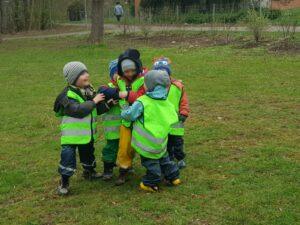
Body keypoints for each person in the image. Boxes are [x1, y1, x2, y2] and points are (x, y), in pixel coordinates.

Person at [53, 61, 114, 195]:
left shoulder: (88, 91)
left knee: (88, 153)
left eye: (86, 72)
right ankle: (64, 182)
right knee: (68, 158)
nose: (86, 75)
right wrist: (94, 101)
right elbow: (78, 110)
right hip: (71, 136)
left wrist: (108, 104)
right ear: (73, 79)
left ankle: (89, 172)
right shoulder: (67, 95)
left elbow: (94, 110)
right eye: (81, 74)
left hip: (86, 134)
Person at [121, 70, 181, 192]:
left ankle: (150, 182)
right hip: (161, 142)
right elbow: (174, 117)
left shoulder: (143, 101)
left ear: (150, 86)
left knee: (151, 164)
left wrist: (124, 108)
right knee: (165, 160)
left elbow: (129, 115)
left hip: (147, 143)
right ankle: (173, 177)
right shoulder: (166, 102)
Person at [115, 49, 146, 185]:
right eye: (126, 71)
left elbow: (144, 96)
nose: (129, 74)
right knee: (124, 146)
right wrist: (112, 94)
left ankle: (152, 169)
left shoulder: (144, 80)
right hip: (126, 121)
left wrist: (127, 95)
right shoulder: (119, 79)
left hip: (141, 119)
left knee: (143, 145)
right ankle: (123, 170)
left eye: (132, 70)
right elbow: (110, 86)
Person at [153, 57, 190, 169]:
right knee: (166, 142)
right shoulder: (153, 88)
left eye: (164, 72)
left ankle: (180, 158)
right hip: (162, 121)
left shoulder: (178, 87)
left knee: (177, 141)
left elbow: (184, 101)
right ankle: (169, 158)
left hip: (176, 119)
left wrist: (183, 113)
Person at [97, 59, 121, 180]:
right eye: (117, 72)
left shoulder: (130, 86)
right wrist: (112, 100)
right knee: (110, 149)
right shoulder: (107, 88)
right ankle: (108, 168)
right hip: (113, 129)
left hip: (127, 127)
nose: (120, 75)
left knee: (127, 149)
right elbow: (101, 91)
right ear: (112, 75)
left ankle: (126, 166)